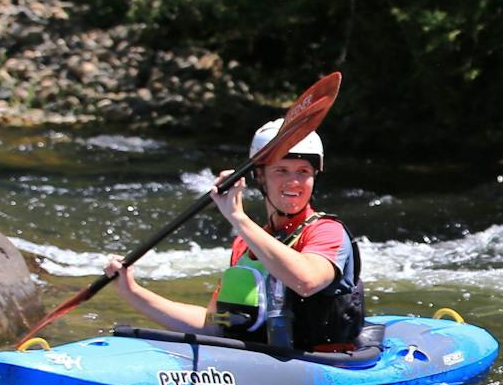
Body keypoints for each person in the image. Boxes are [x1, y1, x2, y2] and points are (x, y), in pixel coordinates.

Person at [104, 119, 365, 351]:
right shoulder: (245, 244)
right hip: (256, 365)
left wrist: (238, 218)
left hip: (322, 369)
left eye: (303, 172)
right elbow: (214, 324)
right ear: (260, 176)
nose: (293, 181)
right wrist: (132, 292)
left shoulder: (326, 231)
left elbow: (305, 280)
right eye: (281, 170)